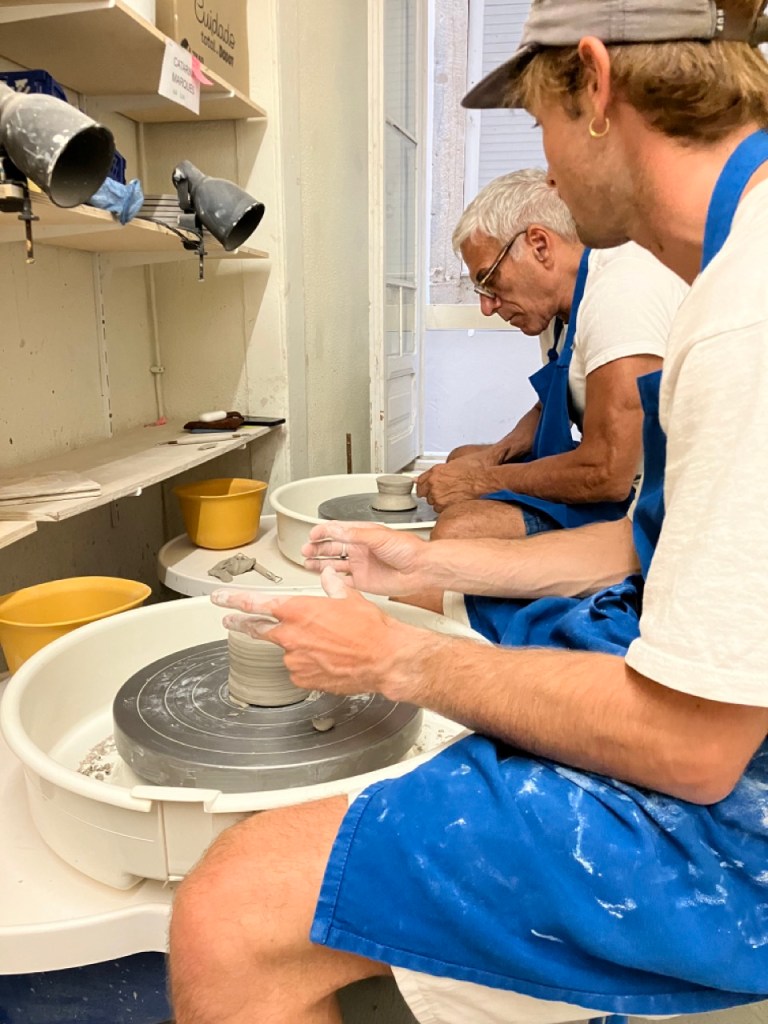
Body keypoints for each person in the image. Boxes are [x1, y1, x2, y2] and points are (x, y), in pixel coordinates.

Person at [168, 4, 768, 1024]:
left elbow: (693, 748)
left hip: (742, 822)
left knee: (229, 911)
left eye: (535, 124)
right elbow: (643, 537)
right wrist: (414, 575)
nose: (545, 162)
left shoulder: (742, 311)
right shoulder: (725, 268)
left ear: (594, 84)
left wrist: (394, 659)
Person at [418, 169, 687, 542]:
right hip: (618, 472)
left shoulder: (623, 292)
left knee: (459, 530)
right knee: (461, 456)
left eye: (490, 279)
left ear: (539, 245)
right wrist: (491, 456)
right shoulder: (556, 310)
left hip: (651, 497)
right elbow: (553, 403)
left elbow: (607, 473)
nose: (486, 305)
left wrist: (482, 479)